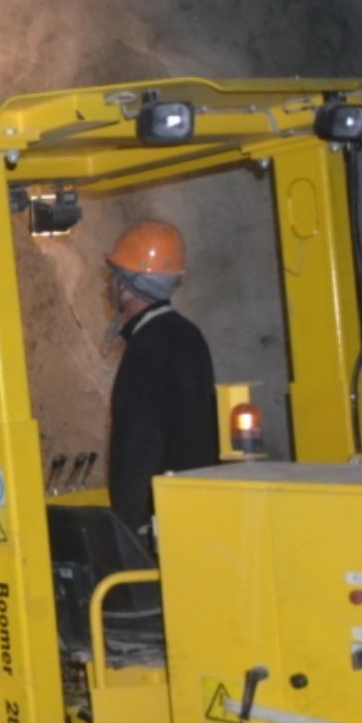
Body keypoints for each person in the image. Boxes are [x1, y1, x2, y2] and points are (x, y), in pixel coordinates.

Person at [104, 220, 217, 547]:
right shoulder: (188, 335)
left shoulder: (146, 349)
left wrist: (130, 531)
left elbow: (138, 447)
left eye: (114, 275)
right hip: (192, 512)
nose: (109, 283)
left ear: (128, 286)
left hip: (157, 526)